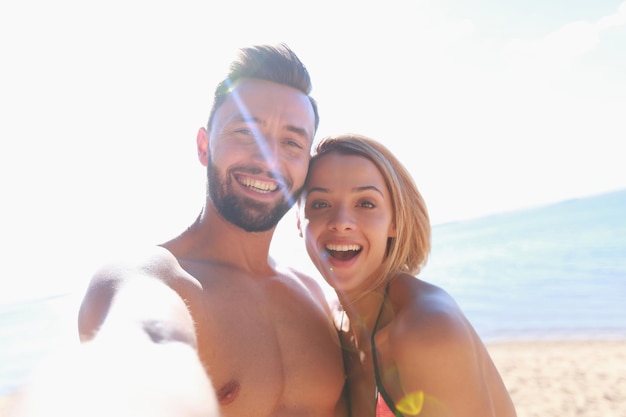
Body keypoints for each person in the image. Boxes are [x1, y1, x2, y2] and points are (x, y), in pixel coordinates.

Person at [9, 44, 347, 417]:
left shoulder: (315, 295)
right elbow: (147, 336)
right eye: (245, 132)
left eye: (291, 142)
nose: (268, 157)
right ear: (204, 147)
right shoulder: (152, 276)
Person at [297, 134, 517, 417]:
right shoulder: (331, 323)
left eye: (365, 203)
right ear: (299, 223)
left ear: (395, 222)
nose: (341, 222)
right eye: (320, 204)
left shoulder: (427, 333)